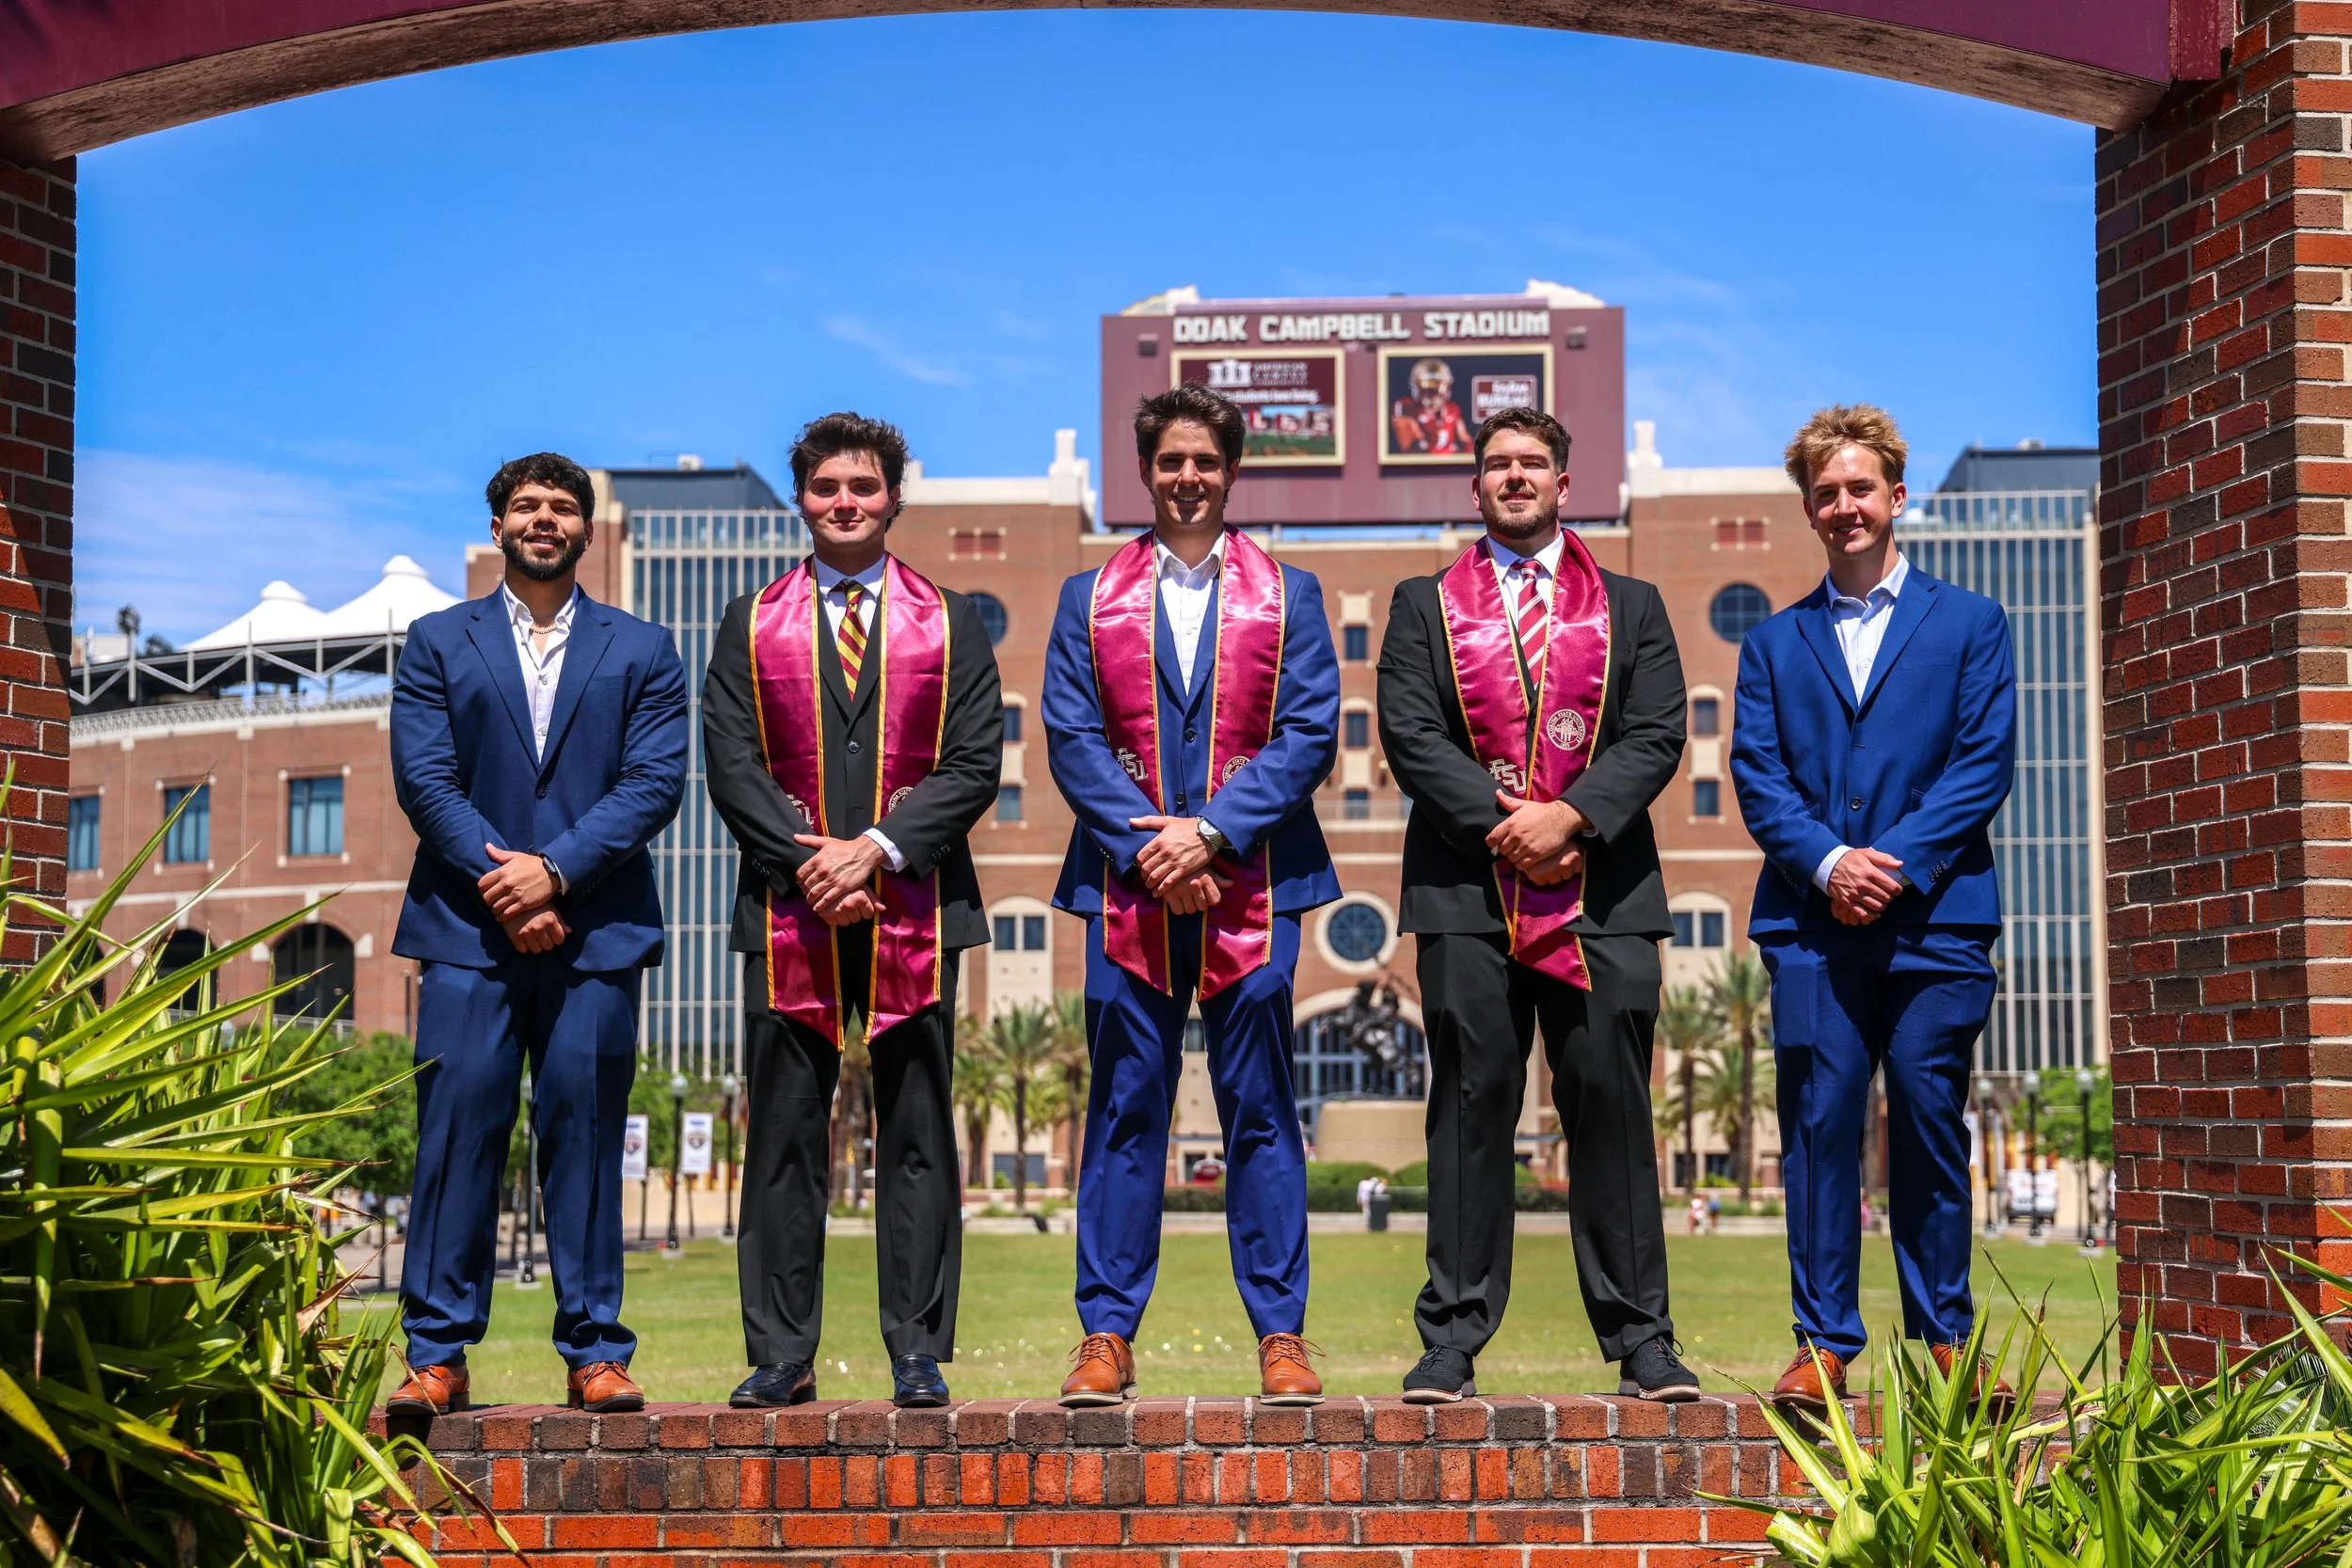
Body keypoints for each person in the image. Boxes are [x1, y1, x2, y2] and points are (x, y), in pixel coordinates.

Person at [1376, 405, 1697, 1403]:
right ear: (1474, 489)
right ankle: (1451, 1338)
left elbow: (1656, 732)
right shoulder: (1422, 603)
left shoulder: (1633, 604)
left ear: (1566, 481)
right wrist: (1505, 822)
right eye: (1496, 465)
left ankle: (1643, 1338)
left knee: (1611, 1104)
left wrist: (1569, 818)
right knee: (1470, 1105)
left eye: (1533, 464)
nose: (1515, 477)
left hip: (1602, 890)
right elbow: (1409, 731)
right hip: (1466, 890)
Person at [1044, 383, 1340, 1408]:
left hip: (1250, 877)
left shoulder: (1290, 592)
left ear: (1230, 470)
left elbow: (1309, 732)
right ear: (1146, 470)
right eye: (1167, 460)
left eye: (1203, 461)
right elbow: (1071, 738)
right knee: (1126, 1109)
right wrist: (1153, 843)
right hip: (1127, 884)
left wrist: (1208, 832)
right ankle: (1106, 1332)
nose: (1185, 477)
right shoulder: (1087, 598)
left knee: (1261, 1110)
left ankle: (1281, 1333)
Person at [700, 413, 1003, 1411]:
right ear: (802, 497)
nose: (845, 501)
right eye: (826, 485)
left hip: (915, 900)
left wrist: (871, 849)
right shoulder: (748, 621)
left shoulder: (953, 619)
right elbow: (732, 765)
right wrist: (808, 862)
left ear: (894, 498)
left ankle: (915, 1347)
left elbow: (971, 766)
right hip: (789, 906)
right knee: (785, 1133)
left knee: (918, 1130)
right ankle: (782, 1351)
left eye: (863, 486)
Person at [384, 452, 688, 1418]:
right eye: (526, 505)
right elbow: (424, 778)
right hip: (467, 930)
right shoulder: (437, 640)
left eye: (561, 506)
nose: (544, 518)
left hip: (595, 930)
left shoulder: (643, 648)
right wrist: (506, 880)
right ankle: (437, 1353)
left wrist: (552, 871)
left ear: (586, 530)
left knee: (586, 1136)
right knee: (456, 1132)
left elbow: (653, 782)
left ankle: (595, 1349)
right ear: (498, 526)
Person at [1730, 404, 2017, 1416]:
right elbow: (1756, 776)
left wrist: (1888, 864)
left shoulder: (1972, 624)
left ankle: (1942, 1337)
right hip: (1811, 926)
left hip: (1936, 920)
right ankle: (1821, 1343)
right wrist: (1828, 862)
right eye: (1825, 492)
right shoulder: (1772, 643)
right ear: (1808, 509)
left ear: (1896, 495)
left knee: (1931, 1122)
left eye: (1860, 487)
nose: (1843, 505)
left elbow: (1981, 765)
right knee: (1818, 1127)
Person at [1391, 358, 1474, 456]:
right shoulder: (1405, 407)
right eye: (1428, 389)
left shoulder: (1452, 409)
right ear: (1416, 387)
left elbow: (1467, 444)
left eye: (1438, 388)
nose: (1434, 394)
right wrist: (1450, 450)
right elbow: (1413, 449)